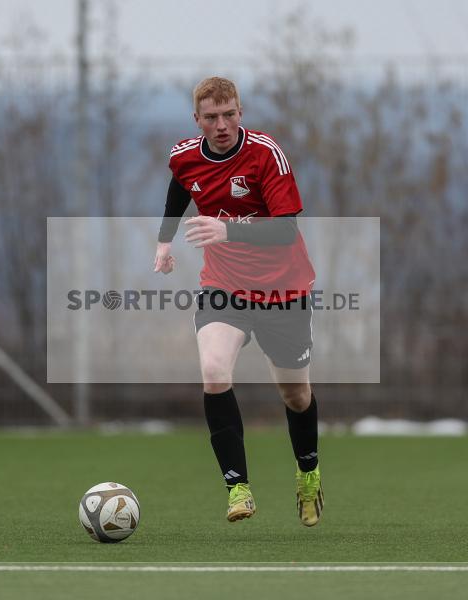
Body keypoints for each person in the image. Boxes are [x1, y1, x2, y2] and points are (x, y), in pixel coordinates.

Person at [153, 76, 323, 526]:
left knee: (296, 395)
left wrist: (227, 229)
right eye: (212, 117)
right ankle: (238, 487)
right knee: (213, 371)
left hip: (284, 290)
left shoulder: (267, 154)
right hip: (224, 288)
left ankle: (308, 473)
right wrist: (164, 242)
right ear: (198, 120)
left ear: (240, 113)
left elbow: (286, 229)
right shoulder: (184, 156)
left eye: (229, 114)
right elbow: (179, 186)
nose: (222, 124)